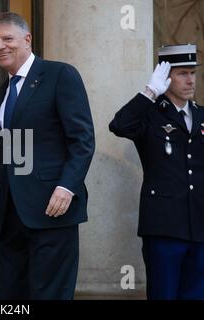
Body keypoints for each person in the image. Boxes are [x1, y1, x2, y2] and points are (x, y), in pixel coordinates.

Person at [0, 12, 95, 299]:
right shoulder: (0, 94)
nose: (0, 46)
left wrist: (67, 186)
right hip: (11, 215)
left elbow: (82, 139)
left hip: (53, 210)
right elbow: (3, 147)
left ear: (27, 39)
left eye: (8, 38)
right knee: (12, 296)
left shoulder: (59, 75)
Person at [109, 44, 204, 300]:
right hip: (164, 226)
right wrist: (149, 92)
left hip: (199, 226)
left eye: (193, 73)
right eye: (182, 73)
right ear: (166, 76)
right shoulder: (150, 113)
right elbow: (119, 125)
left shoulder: (201, 115)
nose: (190, 80)